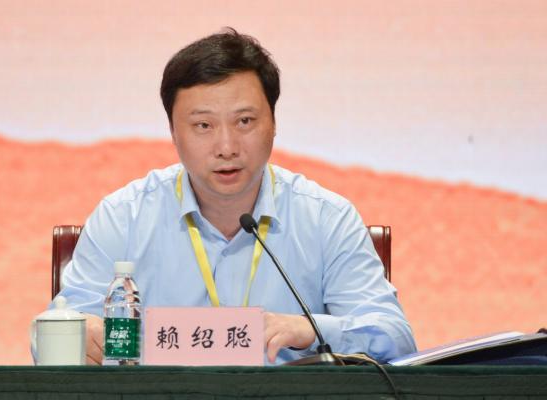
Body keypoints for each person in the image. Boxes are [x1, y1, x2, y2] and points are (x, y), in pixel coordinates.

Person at [50, 28, 416, 365]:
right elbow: (53, 339)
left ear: (274, 123)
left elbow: (396, 339)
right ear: (173, 132)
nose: (226, 147)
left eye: (244, 122)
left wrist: (312, 329)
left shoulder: (326, 218)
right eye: (203, 125)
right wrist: (78, 336)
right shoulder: (123, 218)